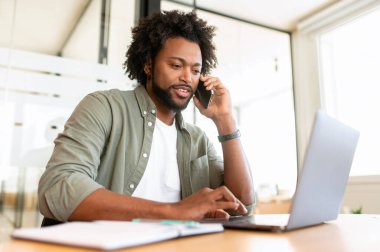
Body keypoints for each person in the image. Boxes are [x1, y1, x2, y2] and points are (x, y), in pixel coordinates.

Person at [38, 10, 255, 225]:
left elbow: (242, 205)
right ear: (149, 65)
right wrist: (173, 212)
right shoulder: (105, 107)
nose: (187, 77)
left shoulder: (198, 140)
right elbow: (58, 187)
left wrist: (225, 121)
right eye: (176, 65)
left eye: (196, 70)